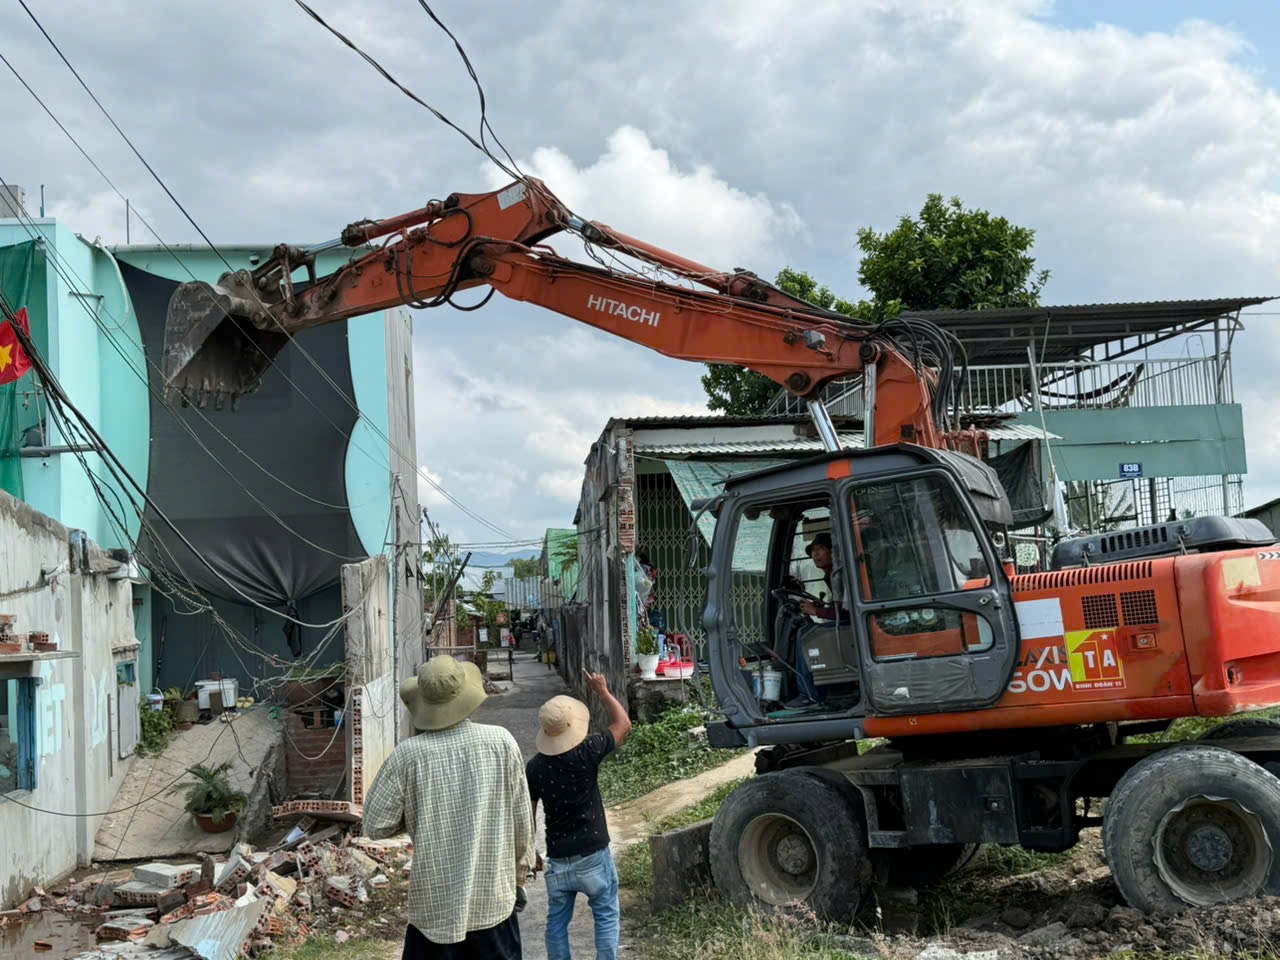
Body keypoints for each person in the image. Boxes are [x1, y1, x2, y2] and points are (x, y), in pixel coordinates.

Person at [364, 657, 534, 959]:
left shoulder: (407, 757)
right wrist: (520, 877)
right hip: (493, 903)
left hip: (433, 914)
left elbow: (375, 824)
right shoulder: (501, 743)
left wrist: (419, 812)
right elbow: (522, 822)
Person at [527, 670, 633, 960]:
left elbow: (528, 813)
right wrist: (602, 691)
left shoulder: (535, 768)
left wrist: (532, 853)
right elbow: (623, 724)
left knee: (557, 923)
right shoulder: (588, 752)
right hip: (593, 854)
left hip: (559, 858)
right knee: (606, 916)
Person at [799, 532, 849, 623]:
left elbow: (848, 613)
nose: (815, 554)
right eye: (813, 550)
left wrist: (816, 611)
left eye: (821, 548)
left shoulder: (843, 576)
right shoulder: (830, 576)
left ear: (833, 552)